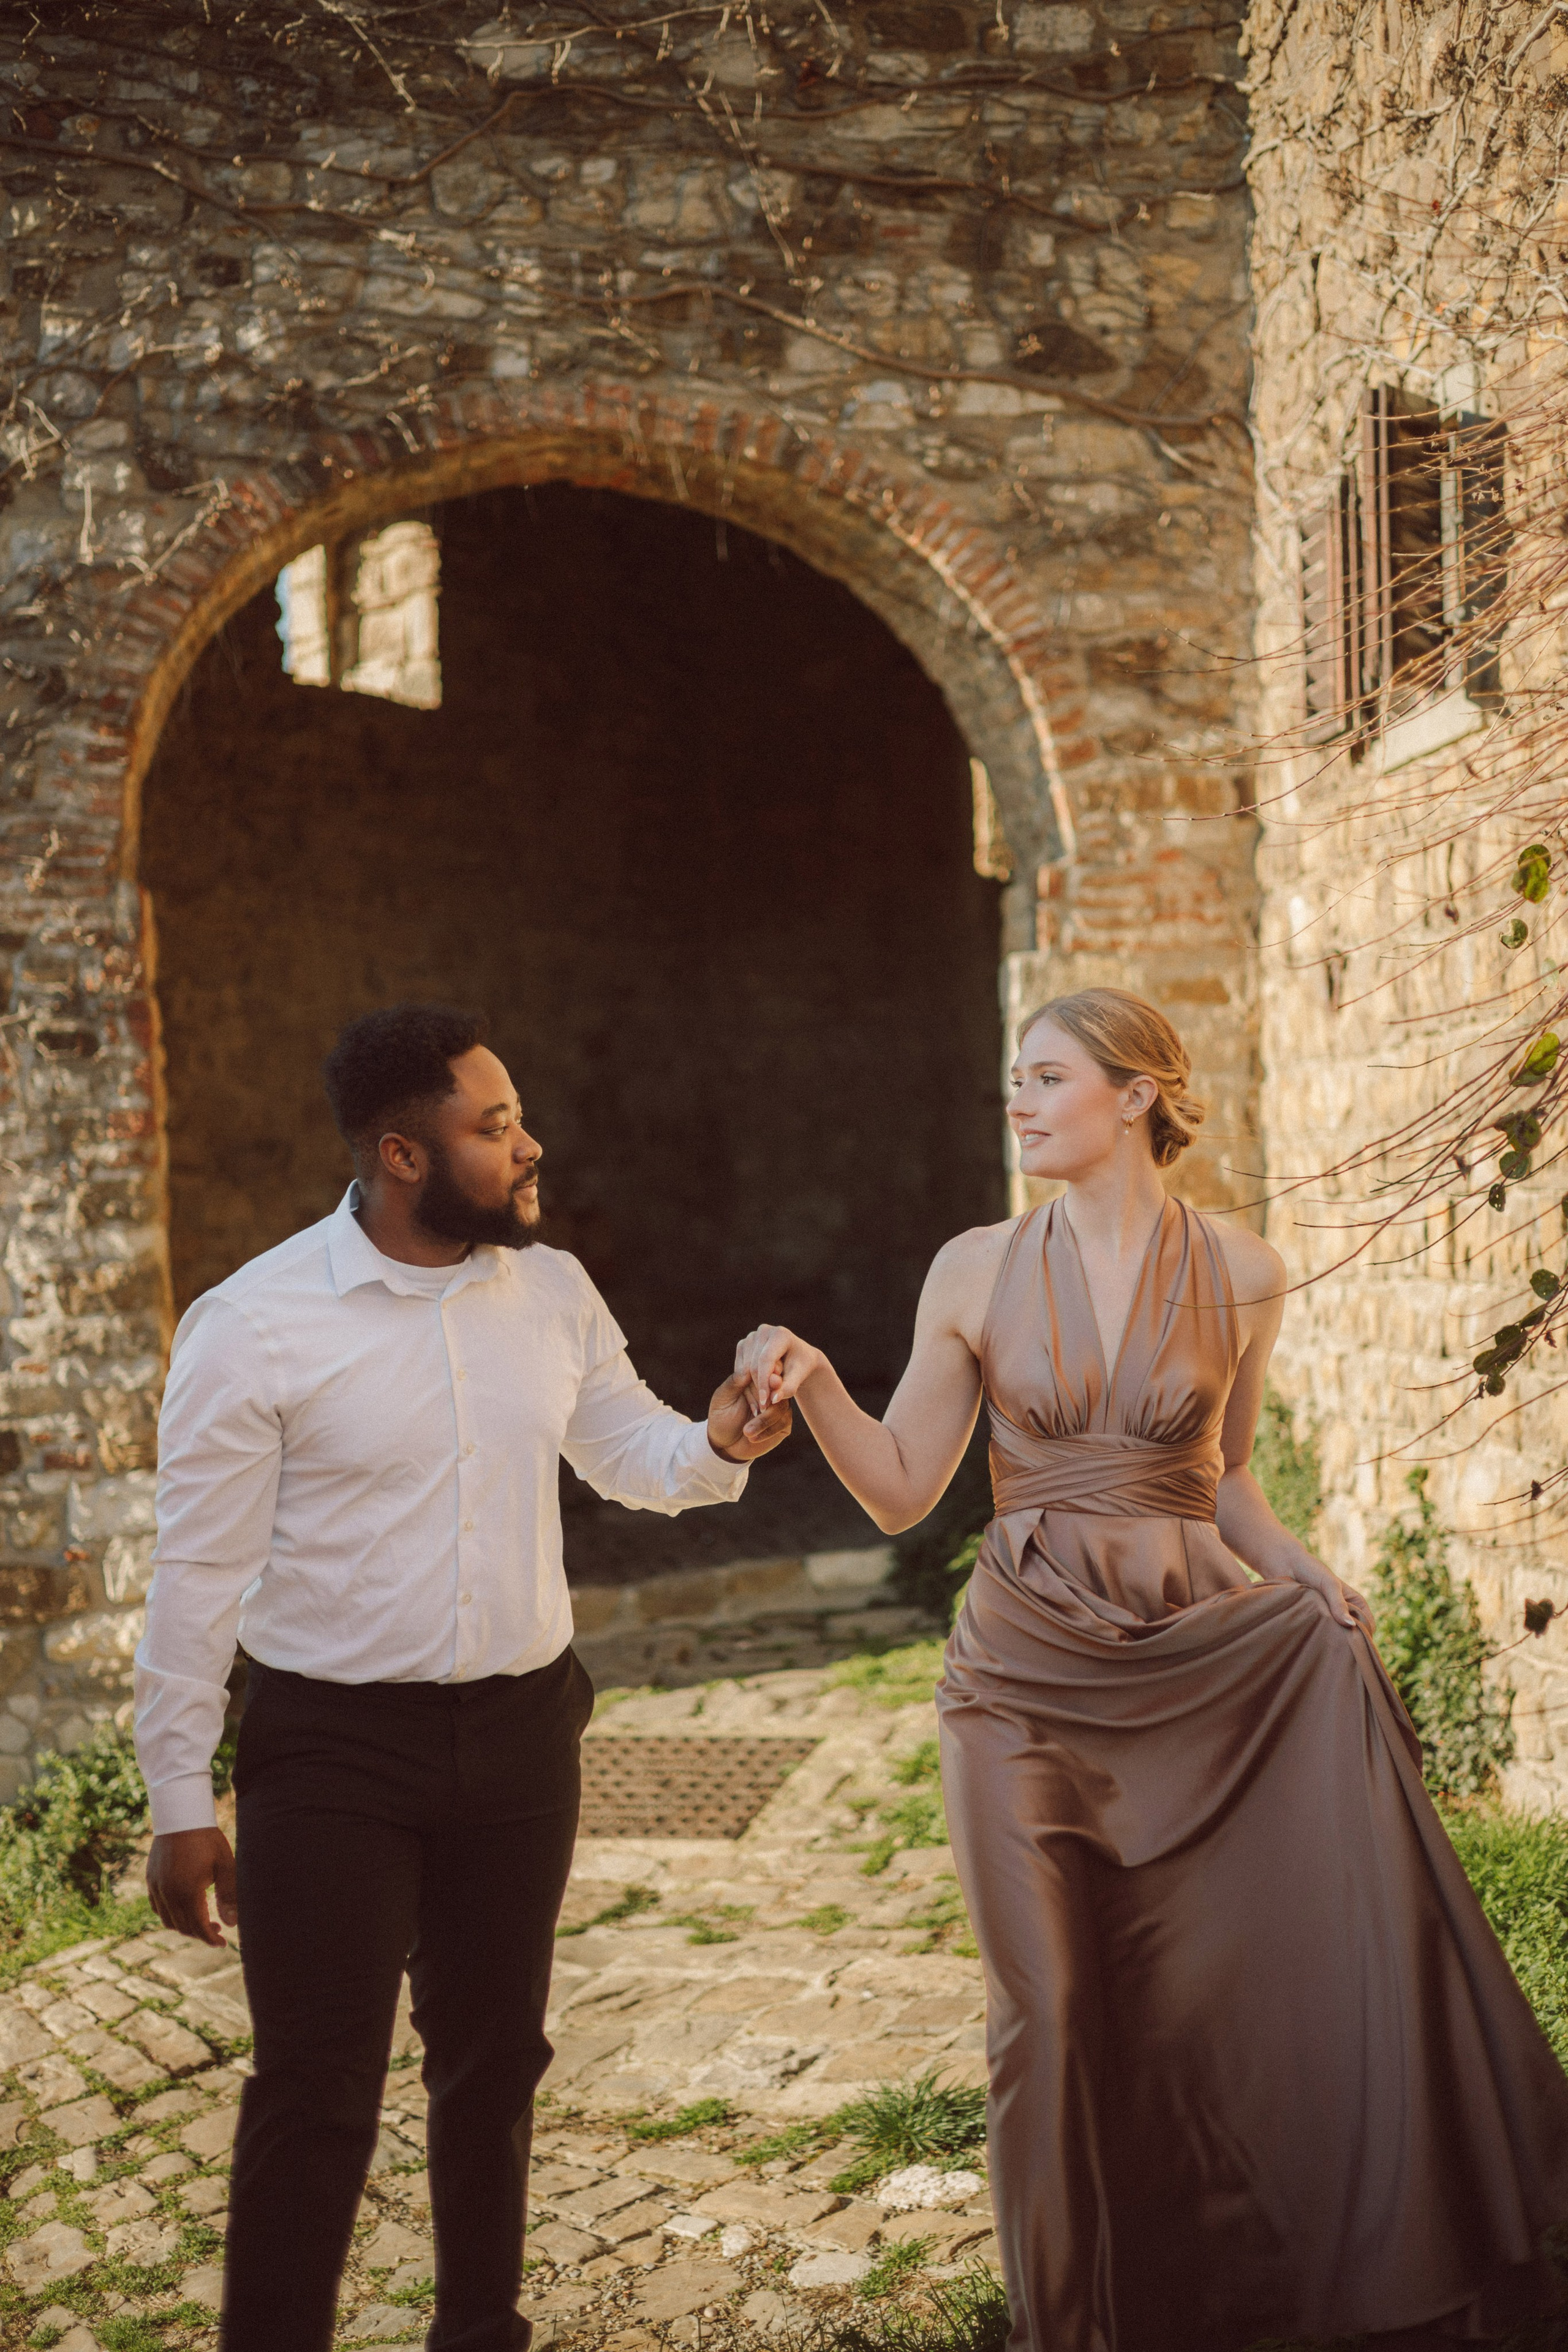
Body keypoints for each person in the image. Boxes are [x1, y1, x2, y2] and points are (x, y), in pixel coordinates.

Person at [734, 986, 1568, 2352]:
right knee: (1046, 2014)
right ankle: (1071, 2324)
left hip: (1194, 1672)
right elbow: (898, 1490)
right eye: (1013, 1076)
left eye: (1046, 1076)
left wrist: (1305, 1582)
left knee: (1202, 2005)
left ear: (1133, 1096)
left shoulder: (1242, 1270)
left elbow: (1223, 1481)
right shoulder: (973, 1267)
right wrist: (815, 1383)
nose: (1016, 1100)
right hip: (1020, 1679)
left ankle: (1252, 2280)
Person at [134, 1002, 792, 2352]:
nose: (528, 1143)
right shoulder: (252, 1327)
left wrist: (720, 1438)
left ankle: (478, 2332)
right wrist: (176, 1798)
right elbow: (194, 1584)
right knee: (317, 2090)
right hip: (329, 1754)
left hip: (519, 1735)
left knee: (494, 2071)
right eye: (493, 1128)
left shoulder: (549, 1293)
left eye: (516, 1115)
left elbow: (631, 1452)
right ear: (402, 1156)